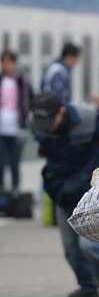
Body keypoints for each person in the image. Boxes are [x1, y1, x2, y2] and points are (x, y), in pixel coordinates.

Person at [29, 93, 99, 297]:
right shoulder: (39, 126)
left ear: (61, 112)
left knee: (89, 245)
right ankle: (88, 287)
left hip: (88, 194)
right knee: (70, 249)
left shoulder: (86, 121)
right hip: (61, 193)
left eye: (50, 121)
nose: (47, 127)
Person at [0, 50, 32, 194]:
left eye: (10, 62)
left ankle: (15, 193)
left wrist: (26, 117)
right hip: (2, 127)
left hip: (17, 127)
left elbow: (31, 99)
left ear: (14, 63)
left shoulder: (22, 81)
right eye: (4, 62)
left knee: (14, 163)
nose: (7, 65)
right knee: (1, 163)